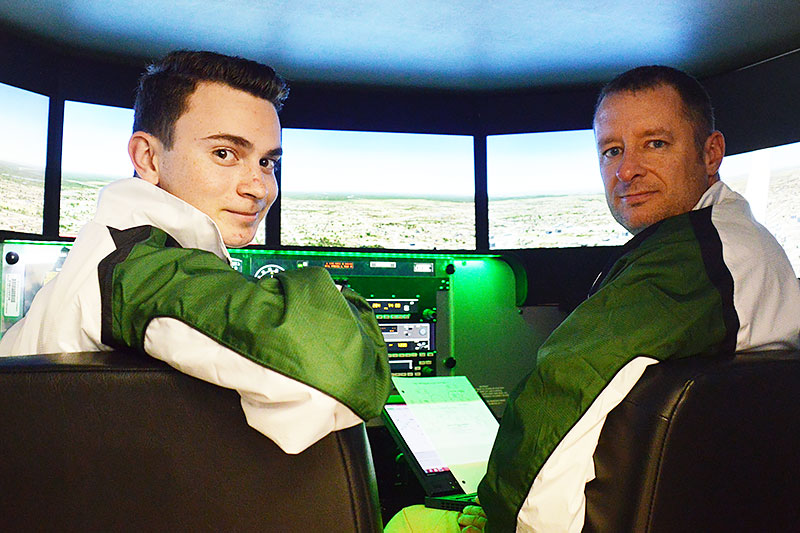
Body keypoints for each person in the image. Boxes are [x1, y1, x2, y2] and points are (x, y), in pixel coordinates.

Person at [386, 65, 800, 532]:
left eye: (655, 143)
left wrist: (494, 515)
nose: (626, 170)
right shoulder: (740, 243)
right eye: (612, 150)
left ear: (711, 153)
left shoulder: (693, 261)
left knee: (406, 520)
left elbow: (562, 389)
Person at [0, 50, 391, 454]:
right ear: (147, 157)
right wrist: (351, 308)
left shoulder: (117, 248)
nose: (258, 187)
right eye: (225, 154)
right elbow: (334, 372)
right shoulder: (140, 266)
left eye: (267, 162)